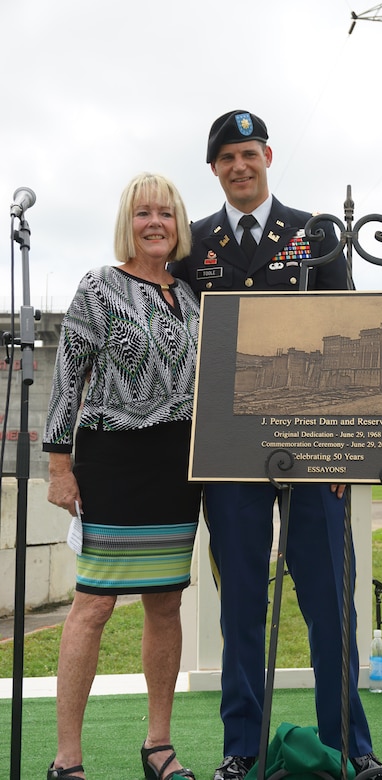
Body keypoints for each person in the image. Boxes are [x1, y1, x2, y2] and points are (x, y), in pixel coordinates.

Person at [173, 111, 382, 780]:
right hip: (230, 455)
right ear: (213, 169)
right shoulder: (195, 242)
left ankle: (352, 749)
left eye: (249, 153)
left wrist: (344, 459)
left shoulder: (316, 231)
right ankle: (242, 748)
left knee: (331, 603)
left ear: (268, 154)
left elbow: (347, 319)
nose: (240, 166)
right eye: (226, 158)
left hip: (315, 451)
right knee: (241, 604)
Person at [43, 172, 201, 780]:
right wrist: (60, 466)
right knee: (94, 604)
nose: (155, 222)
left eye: (165, 212)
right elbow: (66, 384)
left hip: (175, 467)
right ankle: (67, 759)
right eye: (143, 214)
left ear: (179, 223)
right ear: (126, 224)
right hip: (111, 459)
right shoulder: (98, 287)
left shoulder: (188, 298)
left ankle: (158, 746)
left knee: (166, 603)